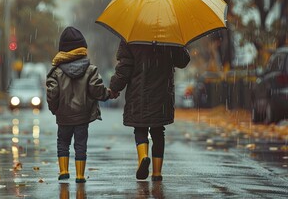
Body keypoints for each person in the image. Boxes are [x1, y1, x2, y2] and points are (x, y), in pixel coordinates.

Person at [108, 40, 190, 181]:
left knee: (140, 128)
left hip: (139, 93)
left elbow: (124, 68)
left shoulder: (131, 38)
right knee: (158, 130)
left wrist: (114, 87)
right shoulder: (169, 36)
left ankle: (143, 157)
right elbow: (183, 61)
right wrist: (179, 45)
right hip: (162, 93)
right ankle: (157, 173)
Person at [46, 26, 116, 183]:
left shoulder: (56, 72)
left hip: (63, 116)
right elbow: (97, 90)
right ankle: (80, 175)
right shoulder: (90, 70)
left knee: (63, 143)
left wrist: (54, 109)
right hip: (82, 116)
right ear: (82, 48)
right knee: (80, 144)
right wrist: (108, 94)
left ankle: (63, 171)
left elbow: (52, 93)